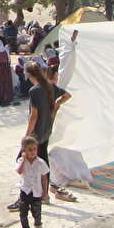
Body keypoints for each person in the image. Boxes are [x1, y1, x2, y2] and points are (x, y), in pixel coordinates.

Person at [20, 61, 74, 203]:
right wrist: (55, 105)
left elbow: (34, 115)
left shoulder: (35, 90)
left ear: (30, 75)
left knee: (26, 160)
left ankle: (33, 193)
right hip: (47, 129)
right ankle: (44, 192)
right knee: (43, 160)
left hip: (36, 133)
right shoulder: (50, 86)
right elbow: (67, 95)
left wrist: (27, 135)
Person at [15, 136, 50, 228]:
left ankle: (38, 226)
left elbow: (44, 176)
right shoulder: (21, 161)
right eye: (30, 150)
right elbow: (19, 172)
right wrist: (24, 160)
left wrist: (45, 191)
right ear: (24, 150)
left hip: (36, 191)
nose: (33, 152)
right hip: (25, 191)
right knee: (23, 212)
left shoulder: (40, 162)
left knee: (36, 210)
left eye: (35, 149)